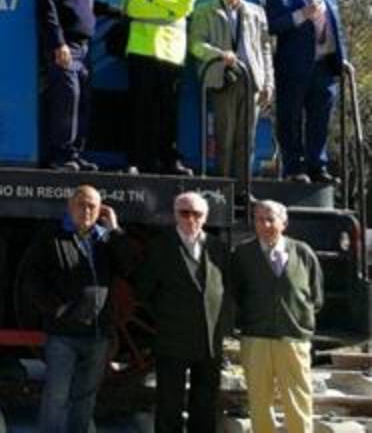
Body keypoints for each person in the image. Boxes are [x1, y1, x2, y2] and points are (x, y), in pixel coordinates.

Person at [24, 184, 130, 433]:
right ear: (70, 207)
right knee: (56, 396)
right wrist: (57, 310)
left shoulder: (105, 239)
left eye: (92, 206)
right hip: (63, 333)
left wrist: (114, 228)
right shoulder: (52, 236)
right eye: (81, 205)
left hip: (97, 333)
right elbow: (32, 278)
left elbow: (128, 266)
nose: (86, 210)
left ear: (100, 210)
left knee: (85, 397)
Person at [136, 192, 229, 433]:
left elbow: (228, 290)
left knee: (205, 404)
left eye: (196, 214)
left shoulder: (218, 247)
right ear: (175, 215)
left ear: (205, 217)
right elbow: (144, 289)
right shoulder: (159, 246)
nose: (190, 219)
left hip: (208, 341)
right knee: (169, 404)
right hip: (172, 338)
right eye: (184, 213)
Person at [228, 200, 323, 433]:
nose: (265, 224)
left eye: (271, 219)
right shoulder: (242, 254)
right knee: (259, 401)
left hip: (293, 339)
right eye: (260, 219)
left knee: (298, 399)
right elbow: (234, 293)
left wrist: (299, 322)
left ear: (284, 223)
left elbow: (316, 296)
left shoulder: (303, 252)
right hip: (256, 339)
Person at [36, 0, 118, 171]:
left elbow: (89, 4)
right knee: (66, 99)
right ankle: (60, 156)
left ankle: (75, 154)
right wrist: (58, 44)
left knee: (82, 101)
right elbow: (47, 10)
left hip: (85, 48)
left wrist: (119, 10)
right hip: (65, 47)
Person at [265, 0, 347, 184]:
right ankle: (294, 167)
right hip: (293, 68)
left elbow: (336, 30)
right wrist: (300, 15)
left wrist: (343, 59)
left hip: (324, 67)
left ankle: (317, 166)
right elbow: (271, 26)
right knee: (290, 119)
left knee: (320, 119)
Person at [121, 0, 199, 175]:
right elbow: (132, 7)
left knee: (169, 110)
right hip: (141, 49)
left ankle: (168, 160)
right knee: (139, 108)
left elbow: (185, 6)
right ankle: (136, 160)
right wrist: (168, 5)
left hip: (172, 52)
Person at [188, 0, 274, 181]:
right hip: (222, 79)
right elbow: (195, 44)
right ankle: (224, 185)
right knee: (224, 136)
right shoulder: (205, 10)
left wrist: (268, 83)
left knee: (248, 138)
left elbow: (265, 49)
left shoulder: (256, 12)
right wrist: (218, 54)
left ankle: (244, 189)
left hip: (251, 81)